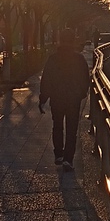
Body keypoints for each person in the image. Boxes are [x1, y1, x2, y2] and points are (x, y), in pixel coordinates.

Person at [39, 28, 90, 171]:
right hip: (73, 99)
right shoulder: (79, 59)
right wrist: (81, 94)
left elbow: (46, 80)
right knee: (71, 129)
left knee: (58, 125)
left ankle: (58, 154)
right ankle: (68, 159)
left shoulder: (53, 59)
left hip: (57, 97)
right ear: (73, 40)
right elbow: (86, 79)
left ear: (60, 40)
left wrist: (43, 98)